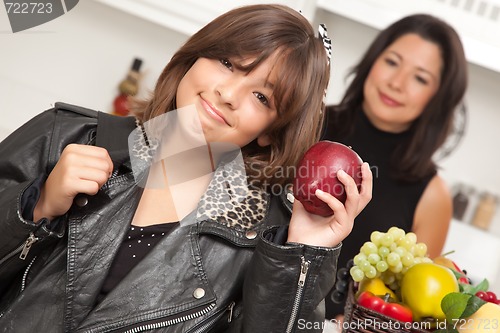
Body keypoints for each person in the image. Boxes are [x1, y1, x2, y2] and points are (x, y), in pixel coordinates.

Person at [0, 4, 372, 332]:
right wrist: (36, 206)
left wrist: (300, 256)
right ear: (195, 57)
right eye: (227, 63)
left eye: (261, 96)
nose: (228, 94)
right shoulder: (64, 135)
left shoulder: (264, 243)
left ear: (271, 132)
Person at [322, 13, 467, 320]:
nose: (396, 82)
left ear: (438, 99)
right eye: (391, 62)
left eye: (420, 78)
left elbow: (409, 304)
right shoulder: (305, 121)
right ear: (372, 61)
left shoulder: (433, 196)